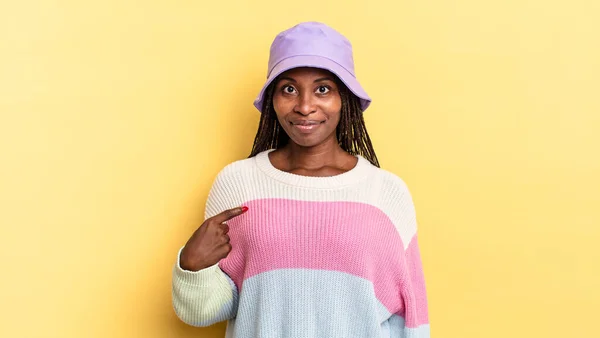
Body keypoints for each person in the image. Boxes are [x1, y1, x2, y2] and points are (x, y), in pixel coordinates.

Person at [172, 21, 430, 338]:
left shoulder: (386, 193)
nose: (305, 106)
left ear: (344, 99)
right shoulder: (239, 184)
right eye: (289, 89)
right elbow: (206, 312)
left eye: (323, 89)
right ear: (273, 100)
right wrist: (192, 267)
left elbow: (411, 317)